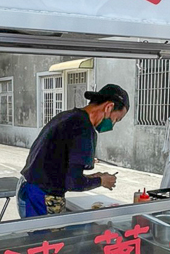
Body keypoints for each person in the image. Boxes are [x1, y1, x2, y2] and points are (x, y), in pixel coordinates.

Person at [17, 83, 129, 218]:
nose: (113, 125)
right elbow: (73, 182)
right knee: (48, 238)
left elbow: (60, 168)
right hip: (42, 197)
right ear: (109, 107)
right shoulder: (84, 128)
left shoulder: (69, 116)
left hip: (28, 189)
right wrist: (101, 181)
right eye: (116, 119)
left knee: (37, 238)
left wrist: (92, 177)